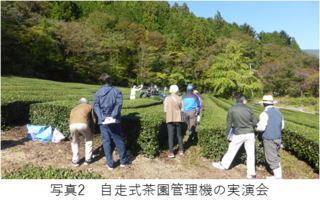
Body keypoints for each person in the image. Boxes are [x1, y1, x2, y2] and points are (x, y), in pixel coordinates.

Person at [212, 94, 257, 180]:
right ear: (244, 100)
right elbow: (254, 123)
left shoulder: (232, 109)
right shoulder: (249, 109)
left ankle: (224, 165)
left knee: (232, 150)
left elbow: (229, 123)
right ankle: (251, 173)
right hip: (250, 134)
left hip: (239, 133)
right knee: (251, 153)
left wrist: (228, 135)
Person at [93, 74, 130, 170]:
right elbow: (119, 105)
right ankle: (123, 161)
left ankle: (110, 164)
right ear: (110, 81)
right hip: (115, 121)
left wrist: (102, 117)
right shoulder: (116, 91)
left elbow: (96, 106)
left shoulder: (97, 93)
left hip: (103, 122)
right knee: (119, 141)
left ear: (101, 82)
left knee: (106, 142)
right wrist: (112, 116)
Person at [257, 95, 285, 181]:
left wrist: (257, 126)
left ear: (264, 104)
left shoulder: (264, 113)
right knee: (275, 157)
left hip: (269, 138)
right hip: (278, 137)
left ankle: (278, 178)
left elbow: (261, 128)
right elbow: (282, 126)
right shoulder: (279, 113)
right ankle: (277, 176)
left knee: (271, 158)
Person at [69, 98, 96, 167]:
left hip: (72, 125)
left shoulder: (74, 108)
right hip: (84, 124)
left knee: (74, 141)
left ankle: (75, 160)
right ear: (87, 102)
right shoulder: (90, 107)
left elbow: (71, 119)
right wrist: (92, 129)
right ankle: (88, 159)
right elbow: (93, 119)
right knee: (89, 140)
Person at [164, 85, 185, 158]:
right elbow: (182, 109)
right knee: (179, 134)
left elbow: (165, 110)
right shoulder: (180, 98)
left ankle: (171, 152)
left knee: (171, 136)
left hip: (170, 119)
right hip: (178, 118)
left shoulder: (167, 98)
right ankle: (181, 150)